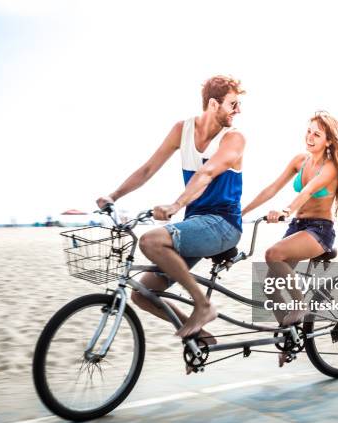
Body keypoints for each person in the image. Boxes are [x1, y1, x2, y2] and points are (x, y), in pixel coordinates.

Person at [97, 75, 246, 343]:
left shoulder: (233, 138)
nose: (239, 111)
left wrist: (177, 204)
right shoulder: (183, 130)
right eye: (233, 104)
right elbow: (147, 169)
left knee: (151, 241)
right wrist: (114, 195)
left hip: (223, 224)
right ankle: (198, 336)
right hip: (196, 225)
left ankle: (203, 306)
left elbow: (208, 172)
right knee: (142, 293)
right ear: (213, 104)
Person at [241, 111, 338, 364]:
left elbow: (306, 192)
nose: (310, 136)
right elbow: (271, 188)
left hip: (319, 230)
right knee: (270, 289)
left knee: (272, 254)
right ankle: (290, 338)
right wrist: (241, 213)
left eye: (317, 133)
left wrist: (284, 210)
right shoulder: (299, 161)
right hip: (297, 226)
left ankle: (299, 304)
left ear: (328, 141)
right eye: (308, 131)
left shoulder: (330, 168)